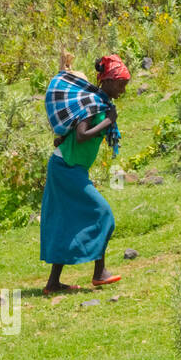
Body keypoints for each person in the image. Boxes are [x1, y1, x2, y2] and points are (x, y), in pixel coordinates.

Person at [40, 54, 129, 295]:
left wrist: (108, 118)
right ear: (107, 81)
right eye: (120, 84)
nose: (122, 89)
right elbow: (81, 134)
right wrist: (108, 121)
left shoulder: (100, 103)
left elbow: (72, 133)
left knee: (66, 220)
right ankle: (99, 273)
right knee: (102, 213)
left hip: (69, 167)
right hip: (65, 168)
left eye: (125, 85)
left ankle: (52, 284)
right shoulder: (95, 105)